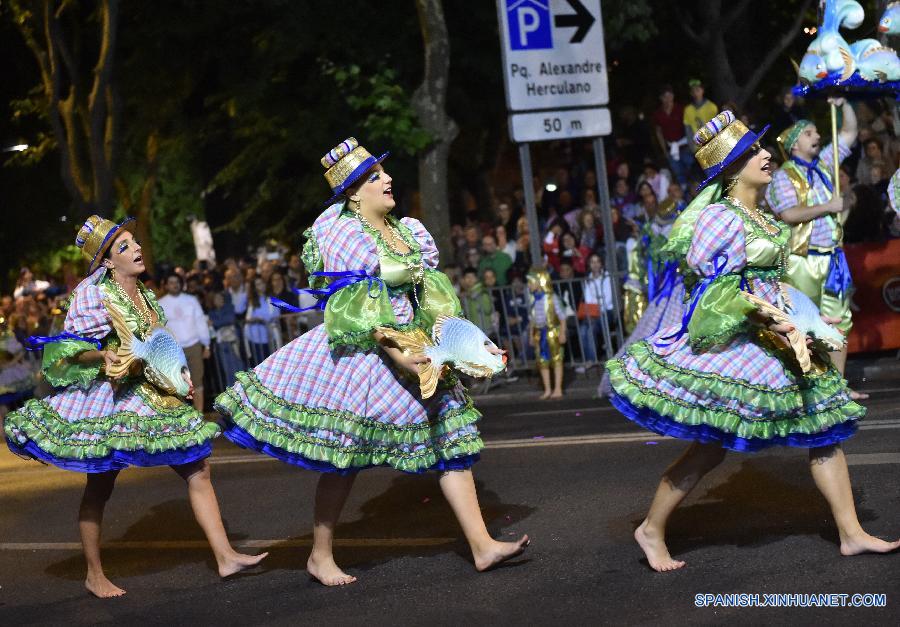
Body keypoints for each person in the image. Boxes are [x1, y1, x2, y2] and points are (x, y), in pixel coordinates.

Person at [213, 138, 528, 586]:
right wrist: (404, 358)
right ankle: (320, 556)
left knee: (450, 438)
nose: (388, 180)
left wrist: (467, 345)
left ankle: (482, 545)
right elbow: (364, 313)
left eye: (384, 173)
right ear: (354, 192)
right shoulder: (346, 235)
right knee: (345, 456)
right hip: (366, 352)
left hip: (416, 346)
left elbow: (435, 302)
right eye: (376, 177)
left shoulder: (408, 231)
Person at [605, 111, 898, 573]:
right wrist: (770, 316)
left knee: (823, 426)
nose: (766, 156)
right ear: (731, 168)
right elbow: (718, 291)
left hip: (780, 330)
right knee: (711, 443)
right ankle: (651, 528)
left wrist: (806, 315)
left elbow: (770, 280)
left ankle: (852, 533)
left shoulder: (757, 214)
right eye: (754, 152)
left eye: (762, 149)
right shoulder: (721, 218)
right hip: (742, 338)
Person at [4, 216, 265, 598]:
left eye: (133, 241)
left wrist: (178, 378)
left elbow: (157, 341)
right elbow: (64, 349)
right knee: (100, 483)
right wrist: (101, 355)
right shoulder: (93, 293)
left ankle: (225, 555)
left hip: (151, 393)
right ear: (108, 262)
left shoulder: (142, 292)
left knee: (198, 466)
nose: (137, 248)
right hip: (114, 398)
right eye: (124, 246)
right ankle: (94, 574)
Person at [765, 97, 863, 397]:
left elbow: (849, 131)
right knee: (802, 324)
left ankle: (837, 388)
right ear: (794, 144)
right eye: (809, 133)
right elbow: (788, 214)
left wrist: (843, 103)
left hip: (832, 258)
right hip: (801, 260)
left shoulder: (825, 164)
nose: (817, 135)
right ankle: (804, 388)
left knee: (838, 321)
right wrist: (827, 206)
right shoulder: (782, 176)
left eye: (816, 132)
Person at [159, 274, 211, 412]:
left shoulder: (191, 300)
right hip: (174, 350)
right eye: (171, 282)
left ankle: (199, 415)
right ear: (166, 285)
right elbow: (161, 329)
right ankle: (186, 417)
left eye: (177, 282)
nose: (174, 285)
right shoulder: (161, 303)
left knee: (198, 381)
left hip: (194, 345)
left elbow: (200, 322)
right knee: (179, 384)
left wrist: (206, 345)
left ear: (181, 284)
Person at [528, 268, 566, 399]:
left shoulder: (551, 298)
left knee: (556, 359)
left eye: (531, 282)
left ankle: (558, 388)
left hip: (551, 332)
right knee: (542, 361)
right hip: (539, 333)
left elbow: (562, 317)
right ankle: (548, 389)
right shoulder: (533, 299)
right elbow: (532, 320)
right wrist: (531, 335)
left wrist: (562, 333)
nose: (529, 285)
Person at [652, 85, 691, 185]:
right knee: (678, 174)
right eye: (665, 96)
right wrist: (664, 150)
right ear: (661, 98)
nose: (668, 99)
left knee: (691, 171)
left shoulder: (681, 109)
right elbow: (658, 132)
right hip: (671, 148)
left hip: (685, 145)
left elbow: (689, 127)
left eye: (670, 96)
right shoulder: (658, 113)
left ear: (673, 96)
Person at [244, 276, 280, 366]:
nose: (261, 286)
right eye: (258, 284)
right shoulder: (252, 302)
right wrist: (255, 319)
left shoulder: (272, 298)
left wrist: (262, 318)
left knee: (273, 364)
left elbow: (275, 315)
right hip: (256, 338)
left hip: (270, 336)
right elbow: (248, 318)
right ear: (254, 288)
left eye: (262, 283)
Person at [683, 79, 718, 144]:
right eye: (693, 91)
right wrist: (692, 146)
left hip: (712, 143)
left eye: (697, 90)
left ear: (703, 90)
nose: (695, 93)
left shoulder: (712, 107)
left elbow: (716, 127)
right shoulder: (687, 109)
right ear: (690, 93)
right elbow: (688, 130)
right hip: (696, 145)